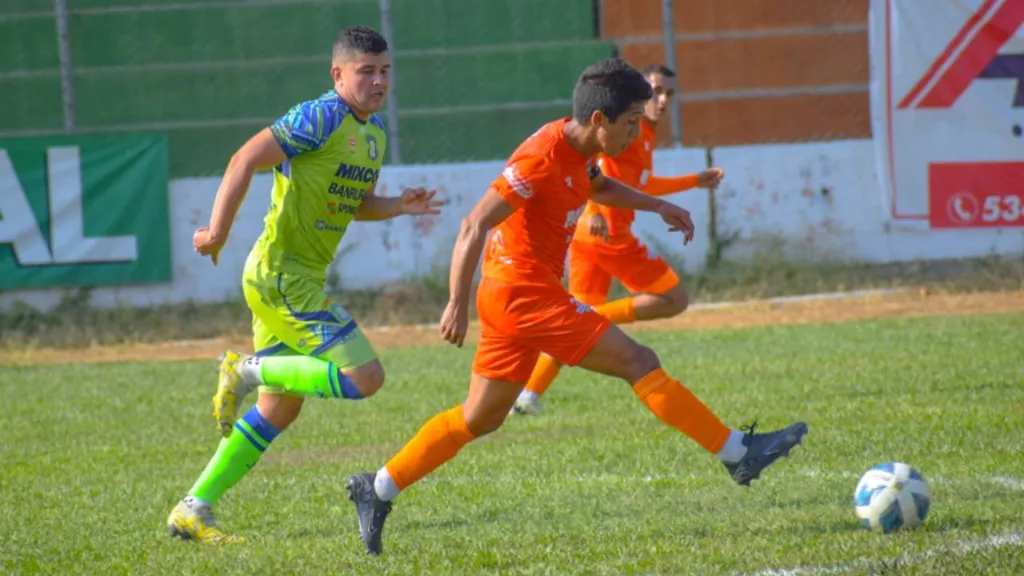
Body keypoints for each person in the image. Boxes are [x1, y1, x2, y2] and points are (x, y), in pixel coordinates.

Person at [345, 58, 807, 556]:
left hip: (513, 294)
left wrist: (659, 205)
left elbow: (598, 186)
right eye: (631, 122)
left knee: (480, 418)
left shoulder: (580, 149)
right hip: (523, 295)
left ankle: (379, 487)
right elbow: (474, 224)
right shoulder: (540, 158)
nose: (636, 131)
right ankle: (738, 452)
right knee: (640, 362)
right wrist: (455, 301)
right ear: (599, 121)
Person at [166, 25, 443, 544]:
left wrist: (399, 206)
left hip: (293, 279)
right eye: (366, 72)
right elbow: (244, 158)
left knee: (280, 406)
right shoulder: (320, 115)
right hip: (282, 278)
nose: (379, 81)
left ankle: (192, 508)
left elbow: (355, 203)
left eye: (385, 71)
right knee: (366, 377)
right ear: (338, 74)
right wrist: (218, 230)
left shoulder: (374, 132)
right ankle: (242, 368)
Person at [513, 64, 724, 416]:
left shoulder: (643, 133)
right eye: (656, 90)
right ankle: (593, 319)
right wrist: (594, 209)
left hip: (587, 237)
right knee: (674, 297)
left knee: (571, 323)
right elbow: (594, 163)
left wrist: (692, 181)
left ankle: (528, 396)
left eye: (669, 93)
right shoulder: (627, 126)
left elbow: (639, 182)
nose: (662, 100)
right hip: (608, 234)